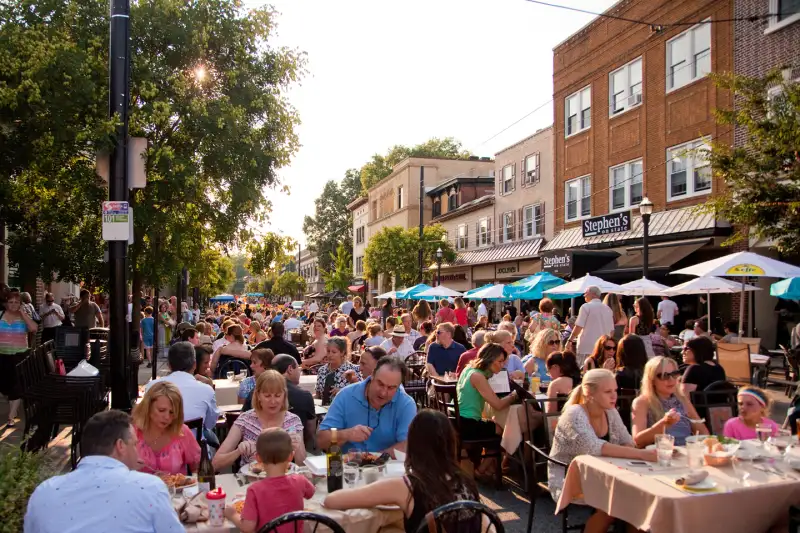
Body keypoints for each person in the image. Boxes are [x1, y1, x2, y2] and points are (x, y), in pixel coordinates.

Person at [24, 410, 183, 533]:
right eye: (134, 445)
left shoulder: (44, 491)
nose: (137, 452)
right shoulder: (149, 487)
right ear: (120, 446)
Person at [323, 410, 479, 533]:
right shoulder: (467, 481)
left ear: (413, 444)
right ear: (451, 442)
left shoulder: (407, 486)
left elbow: (332, 500)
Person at [548, 369, 657, 533]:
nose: (614, 396)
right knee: (614, 505)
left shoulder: (610, 411)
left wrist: (631, 450)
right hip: (570, 477)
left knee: (640, 500)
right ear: (589, 393)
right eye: (608, 392)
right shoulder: (574, 414)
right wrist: (642, 454)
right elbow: (596, 447)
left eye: (615, 390)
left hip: (606, 473)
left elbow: (627, 441)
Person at [317, 357, 416, 454]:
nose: (383, 393)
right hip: (349, 467)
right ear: (372, 375)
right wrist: (346, 434)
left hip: (388, 467)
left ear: (399, 386)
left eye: (391, 388)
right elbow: (322, 441)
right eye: (380, 384)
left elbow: (406, 445)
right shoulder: (346, 395)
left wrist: (375, 460)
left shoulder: (406, 404)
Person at [224, 429, 315, 533]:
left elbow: (248, 527)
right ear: (291, 456)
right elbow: (311, 493)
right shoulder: (300, 480)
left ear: (258, 458)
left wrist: (232, 514)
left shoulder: (255, 490)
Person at [213, 370, 306, 469]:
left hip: (283, 479)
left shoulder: (293, 421)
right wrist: (238, 452)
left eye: (278, 396)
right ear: (258, 396)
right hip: (251, 481)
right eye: (267, 396)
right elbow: (215, 464)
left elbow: (303, 466)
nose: (273, 401)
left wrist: (298, 446)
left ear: (284, 396)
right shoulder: (245, 420)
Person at [456, 343, 518, 470]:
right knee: (502, 430)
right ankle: (483, 470)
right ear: (489, 360)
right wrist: (513, 396)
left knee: (493, 423)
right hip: (468, 424)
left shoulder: (469, 369)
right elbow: (498, 404)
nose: (502, 365)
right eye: (500, 361)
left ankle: (489, 467)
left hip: (458, 419)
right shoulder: (478, 376)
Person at [146, 342, 220, 438]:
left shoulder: (152, 386)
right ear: (194, 365)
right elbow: (210, 424)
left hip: (160, 447)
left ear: (169, 365)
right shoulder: (206, 390)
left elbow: (147, 421)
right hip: (194, 450)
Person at [631, 356, 709, 447]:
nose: (671, 379)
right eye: (664, 376)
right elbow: (638, 441)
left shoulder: (682, 399)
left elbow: (704, 434)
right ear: (652, 380)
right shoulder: (642, 402)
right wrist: (664, 424)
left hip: (685, 453)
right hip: (660, 455)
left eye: (674, 374)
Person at [132, 381, 201, 474]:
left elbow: (199, 468)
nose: (167, 417)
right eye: (161, 410)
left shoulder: (182, 432)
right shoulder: (132, 432)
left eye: (172, 412)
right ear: (148, 407)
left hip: (176, 488)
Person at [0, 288, 37, 426]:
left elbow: (34, 328)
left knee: (16, 387)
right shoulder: (0, 315)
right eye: (11, 302)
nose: (14, 304)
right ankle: (12, 407)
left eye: (16, 302)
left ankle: (11, 415)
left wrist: (22, 313)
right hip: (2, 355)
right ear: (6, 303)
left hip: (19, 356)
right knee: (4, 386)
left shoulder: (23, 317)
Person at [270, 354, 317, 447]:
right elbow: (310, 432)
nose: (273, 401)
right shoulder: (304, 395)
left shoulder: (254, 391)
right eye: (298, 368)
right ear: (290, 369)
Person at [566, 286, 614, 368]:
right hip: (602, 348)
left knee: (585, 371)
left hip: (587, 347)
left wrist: (570, 340)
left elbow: (578, 326)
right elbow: (612, 331)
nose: (584, 295)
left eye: (586, 293)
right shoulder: (608, 309)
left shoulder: (586, 307)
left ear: (593, 294)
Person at [315, 337, 360, 405]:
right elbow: (318, 395)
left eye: (334, 352)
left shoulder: (353, 370)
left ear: (342, 353)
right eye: (328, 351)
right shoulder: (322, 370)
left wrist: (342, 392)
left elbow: (360, 395)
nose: (330, 355)